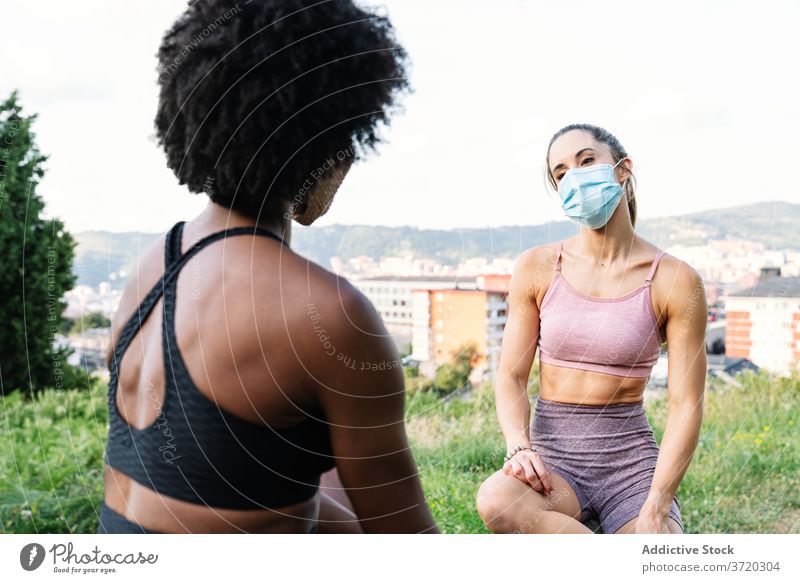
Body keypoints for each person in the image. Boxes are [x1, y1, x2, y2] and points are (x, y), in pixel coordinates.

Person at [96, 0, 438, 534]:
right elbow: (406, 538)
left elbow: (220, 493)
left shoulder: (151, 268)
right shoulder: (329, 314)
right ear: (324, 146)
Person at [475, 124, 707, 534]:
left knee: (658, 547)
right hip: (553, 468)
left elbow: (686, 404)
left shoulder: (675, 279)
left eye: (586, 161)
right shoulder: (537, 266)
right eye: (561, 173)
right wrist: (519, 445)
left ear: (623, 170)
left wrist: (658, 503)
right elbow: (511, 376)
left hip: (630, 469)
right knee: (496, 500)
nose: (575, 177)